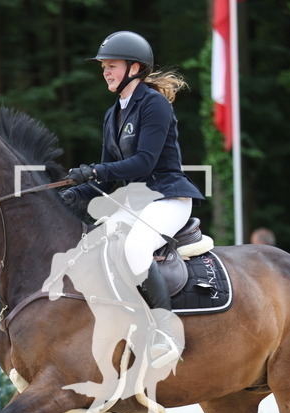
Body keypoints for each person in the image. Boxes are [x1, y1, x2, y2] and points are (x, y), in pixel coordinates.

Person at [60, 30, 204, 369]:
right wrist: (72, 193)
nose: (106, 72)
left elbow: (144, 163)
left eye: (112, 66)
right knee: (94, 247)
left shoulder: (154, 104)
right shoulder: (113, 114)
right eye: (104, 67)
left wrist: (93, 171)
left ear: (135, 68)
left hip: (167, 197)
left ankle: (166, 332)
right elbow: (110, 179)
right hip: (135, 202)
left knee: (135, 248)